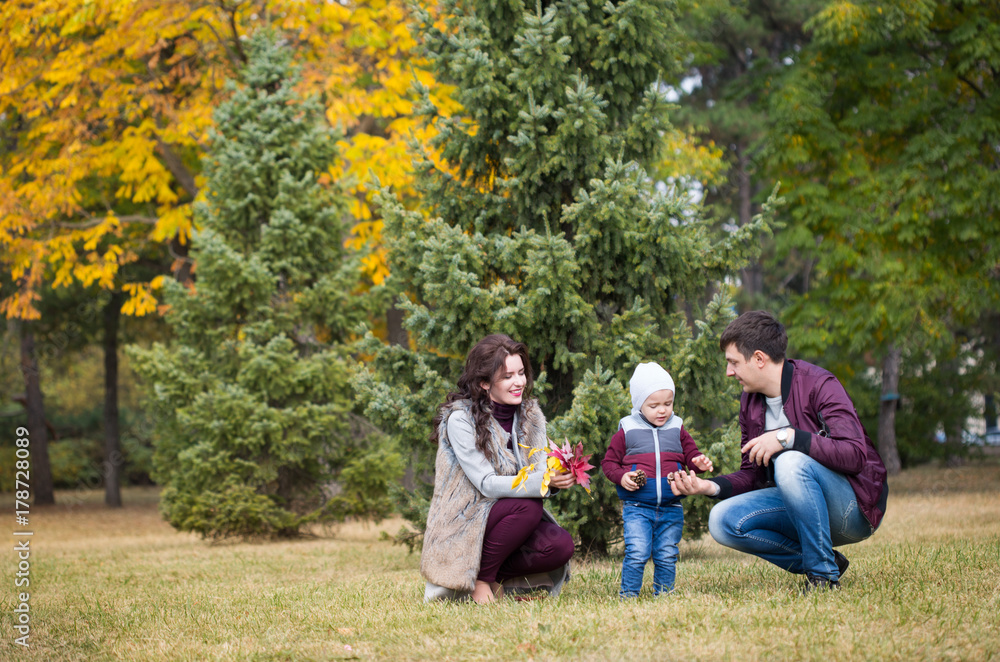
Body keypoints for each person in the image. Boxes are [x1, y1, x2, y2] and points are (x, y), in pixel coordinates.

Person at [668, 311, 888, 591]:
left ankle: (822, 578)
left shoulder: (820, 385)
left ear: (759, 359)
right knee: (722, 520)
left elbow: (855, 455)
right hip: (800, 506)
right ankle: (827, 560)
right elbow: (753, 475)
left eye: (733, 362)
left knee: (790, 461)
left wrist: (787, 437)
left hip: (854, 509)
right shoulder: (750, 402)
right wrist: (708, 487)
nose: (729, 372)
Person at [421, 334, 577, 603]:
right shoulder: (461, 420)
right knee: (528, 506)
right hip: (466, 517)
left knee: (561, 546)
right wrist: (543, 481)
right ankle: (482, 580)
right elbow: (486, 484)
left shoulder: (530, 416)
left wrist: (556, 479)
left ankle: (487, 575)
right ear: (484, 383)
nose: (518, 382)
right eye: (507, 377)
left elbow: (539, 474)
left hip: (511, 517)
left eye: (521, 373)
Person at [602, 362, 713, 597]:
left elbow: (690, 455)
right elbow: (609, 464)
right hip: (637, 507)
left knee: (666, 553)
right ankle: (628, 595)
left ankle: (664, 594)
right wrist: (622, 477)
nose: (662, 410)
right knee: (638, 552)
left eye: (667, 403)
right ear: (639, 405)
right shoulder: (627, 429)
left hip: (672, 506)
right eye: (654, 405)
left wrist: (699, 463)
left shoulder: (677, 427)